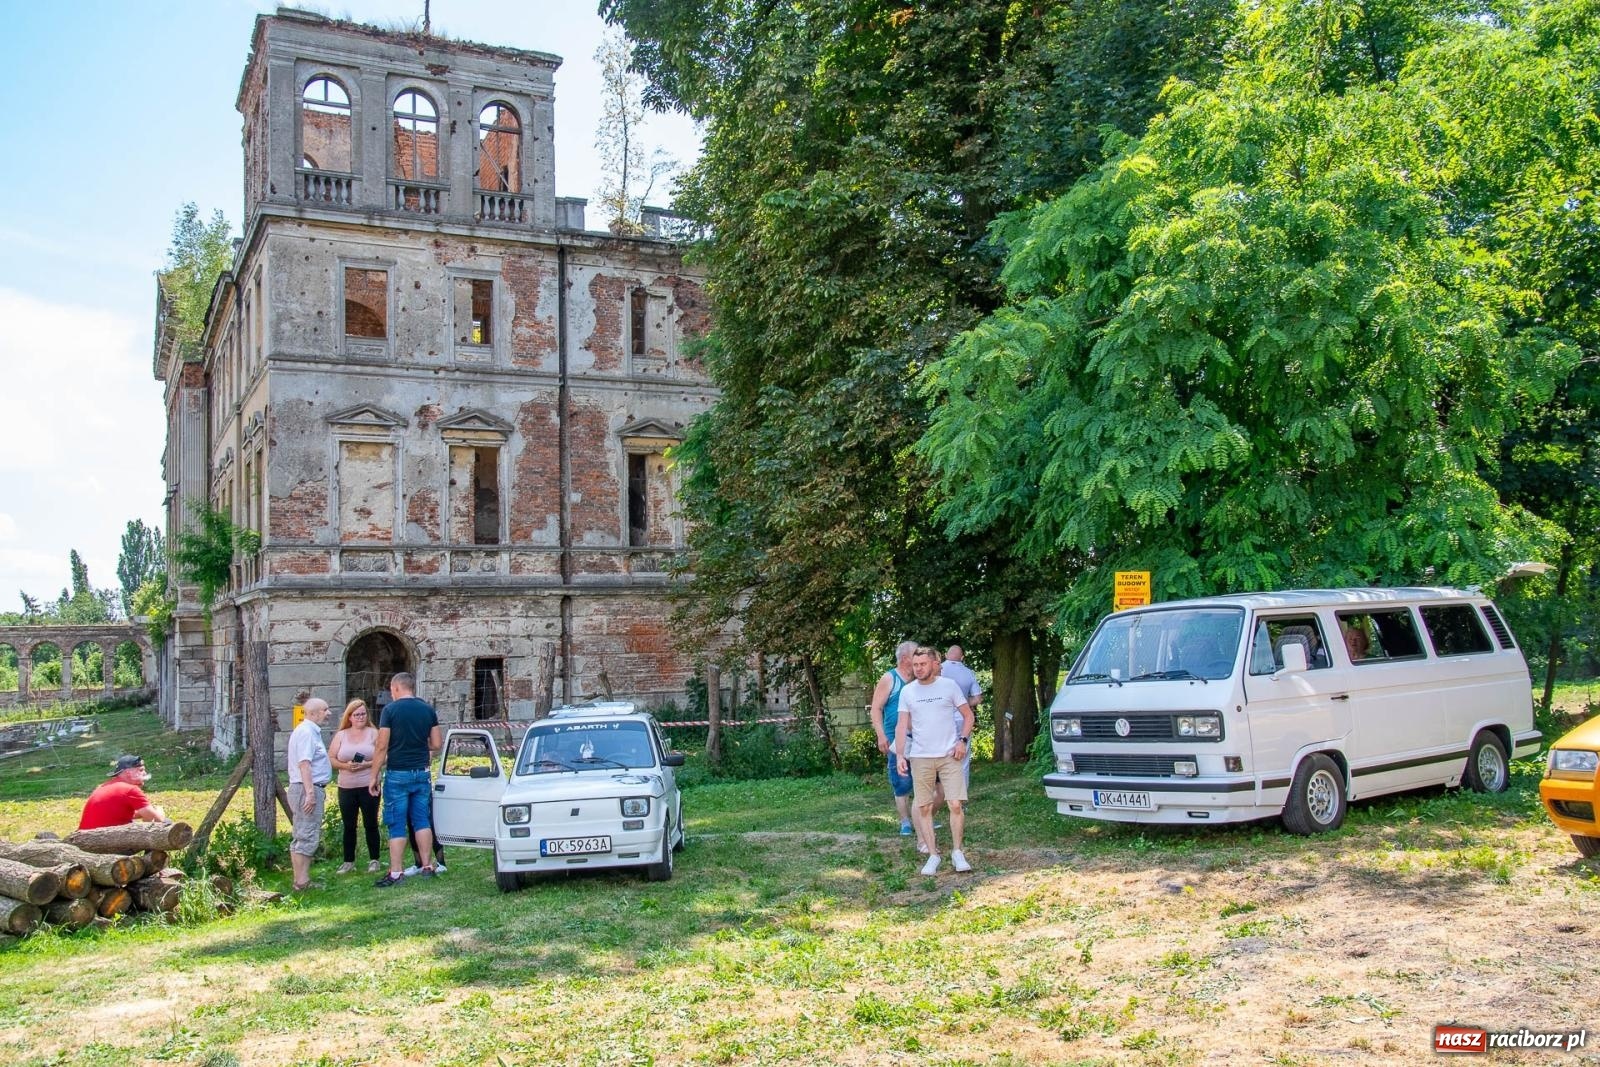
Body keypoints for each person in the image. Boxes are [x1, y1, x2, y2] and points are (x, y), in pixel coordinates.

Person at [894, 646, 976, 875]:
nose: (918, 669)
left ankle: (957, 852)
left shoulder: (949, 686)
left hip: (949, 755)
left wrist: (962, 741)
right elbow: (901, 725)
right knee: (924, 806)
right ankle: (932, 855)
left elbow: (968, 716)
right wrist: (900, 755)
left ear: (933, 664)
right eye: (915, 665)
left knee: (955, 804)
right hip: (920, 756)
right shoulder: (908, 692)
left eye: (922, 664)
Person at [370, 671, 441, 887]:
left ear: (396, 688)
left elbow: (382, 745)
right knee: (422, 820)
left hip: (398, 773)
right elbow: (437, 744)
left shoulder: (390, 710)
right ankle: (427, 866)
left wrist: (374, 775)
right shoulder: (427, 709)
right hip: (421, 771)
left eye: (392, 690)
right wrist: (418, 744)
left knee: (396, 822)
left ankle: (396, 872)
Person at [867, 641, 918, 836]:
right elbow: (876, 708)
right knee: (902, 781)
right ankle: (905, 821)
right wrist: (881, 735)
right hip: (895, 738)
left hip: (919, 736)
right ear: (905, 658)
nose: (919, 658)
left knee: (923, 778)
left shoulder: (919, 678)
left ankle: (922, 817)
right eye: (915, 654)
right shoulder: (890, 678)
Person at [328, 699, 382, 874]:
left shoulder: (374, 733)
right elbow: (331, 758)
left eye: (363, 714)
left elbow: (384, 756)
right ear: (349, 717)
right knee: (349, 825)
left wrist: (367, 764)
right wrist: (345, 766)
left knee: (371, 823)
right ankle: (348, 861)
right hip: (346, 786)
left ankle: (374, 859)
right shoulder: (341, 735)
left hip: (369, 784)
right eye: (357, 714)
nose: (360, 717)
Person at [286, 697, 333, 892]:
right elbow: (304, 764)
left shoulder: (310, 731)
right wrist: (310, 793)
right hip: (306, 788)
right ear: (313, 713)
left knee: (305, 833)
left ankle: (302, 880)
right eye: (325, 710)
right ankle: (301, 882)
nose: (329, 713)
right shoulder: (306, 732)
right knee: (306, 835)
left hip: (307, 788)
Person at [78, 754, 167, 830]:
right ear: (128, 772)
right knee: (166, 824)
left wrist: (144, 813)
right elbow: (157, 820)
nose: (145, 773)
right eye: (141, 770)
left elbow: (113, 814)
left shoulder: (103, 786)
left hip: (85, 839)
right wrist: (159, 810)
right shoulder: (130, 790)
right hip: (107, 841)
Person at [940, 645, 983, 784]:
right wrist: (962, 702)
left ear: (946, 655)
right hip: (962, 718)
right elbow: (977, 699)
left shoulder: (938, 669)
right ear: (962, 657)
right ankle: (962, 792)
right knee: (963, 756)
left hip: (941, 717)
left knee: (941, 755)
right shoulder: (969, 673)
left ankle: (941, 790)